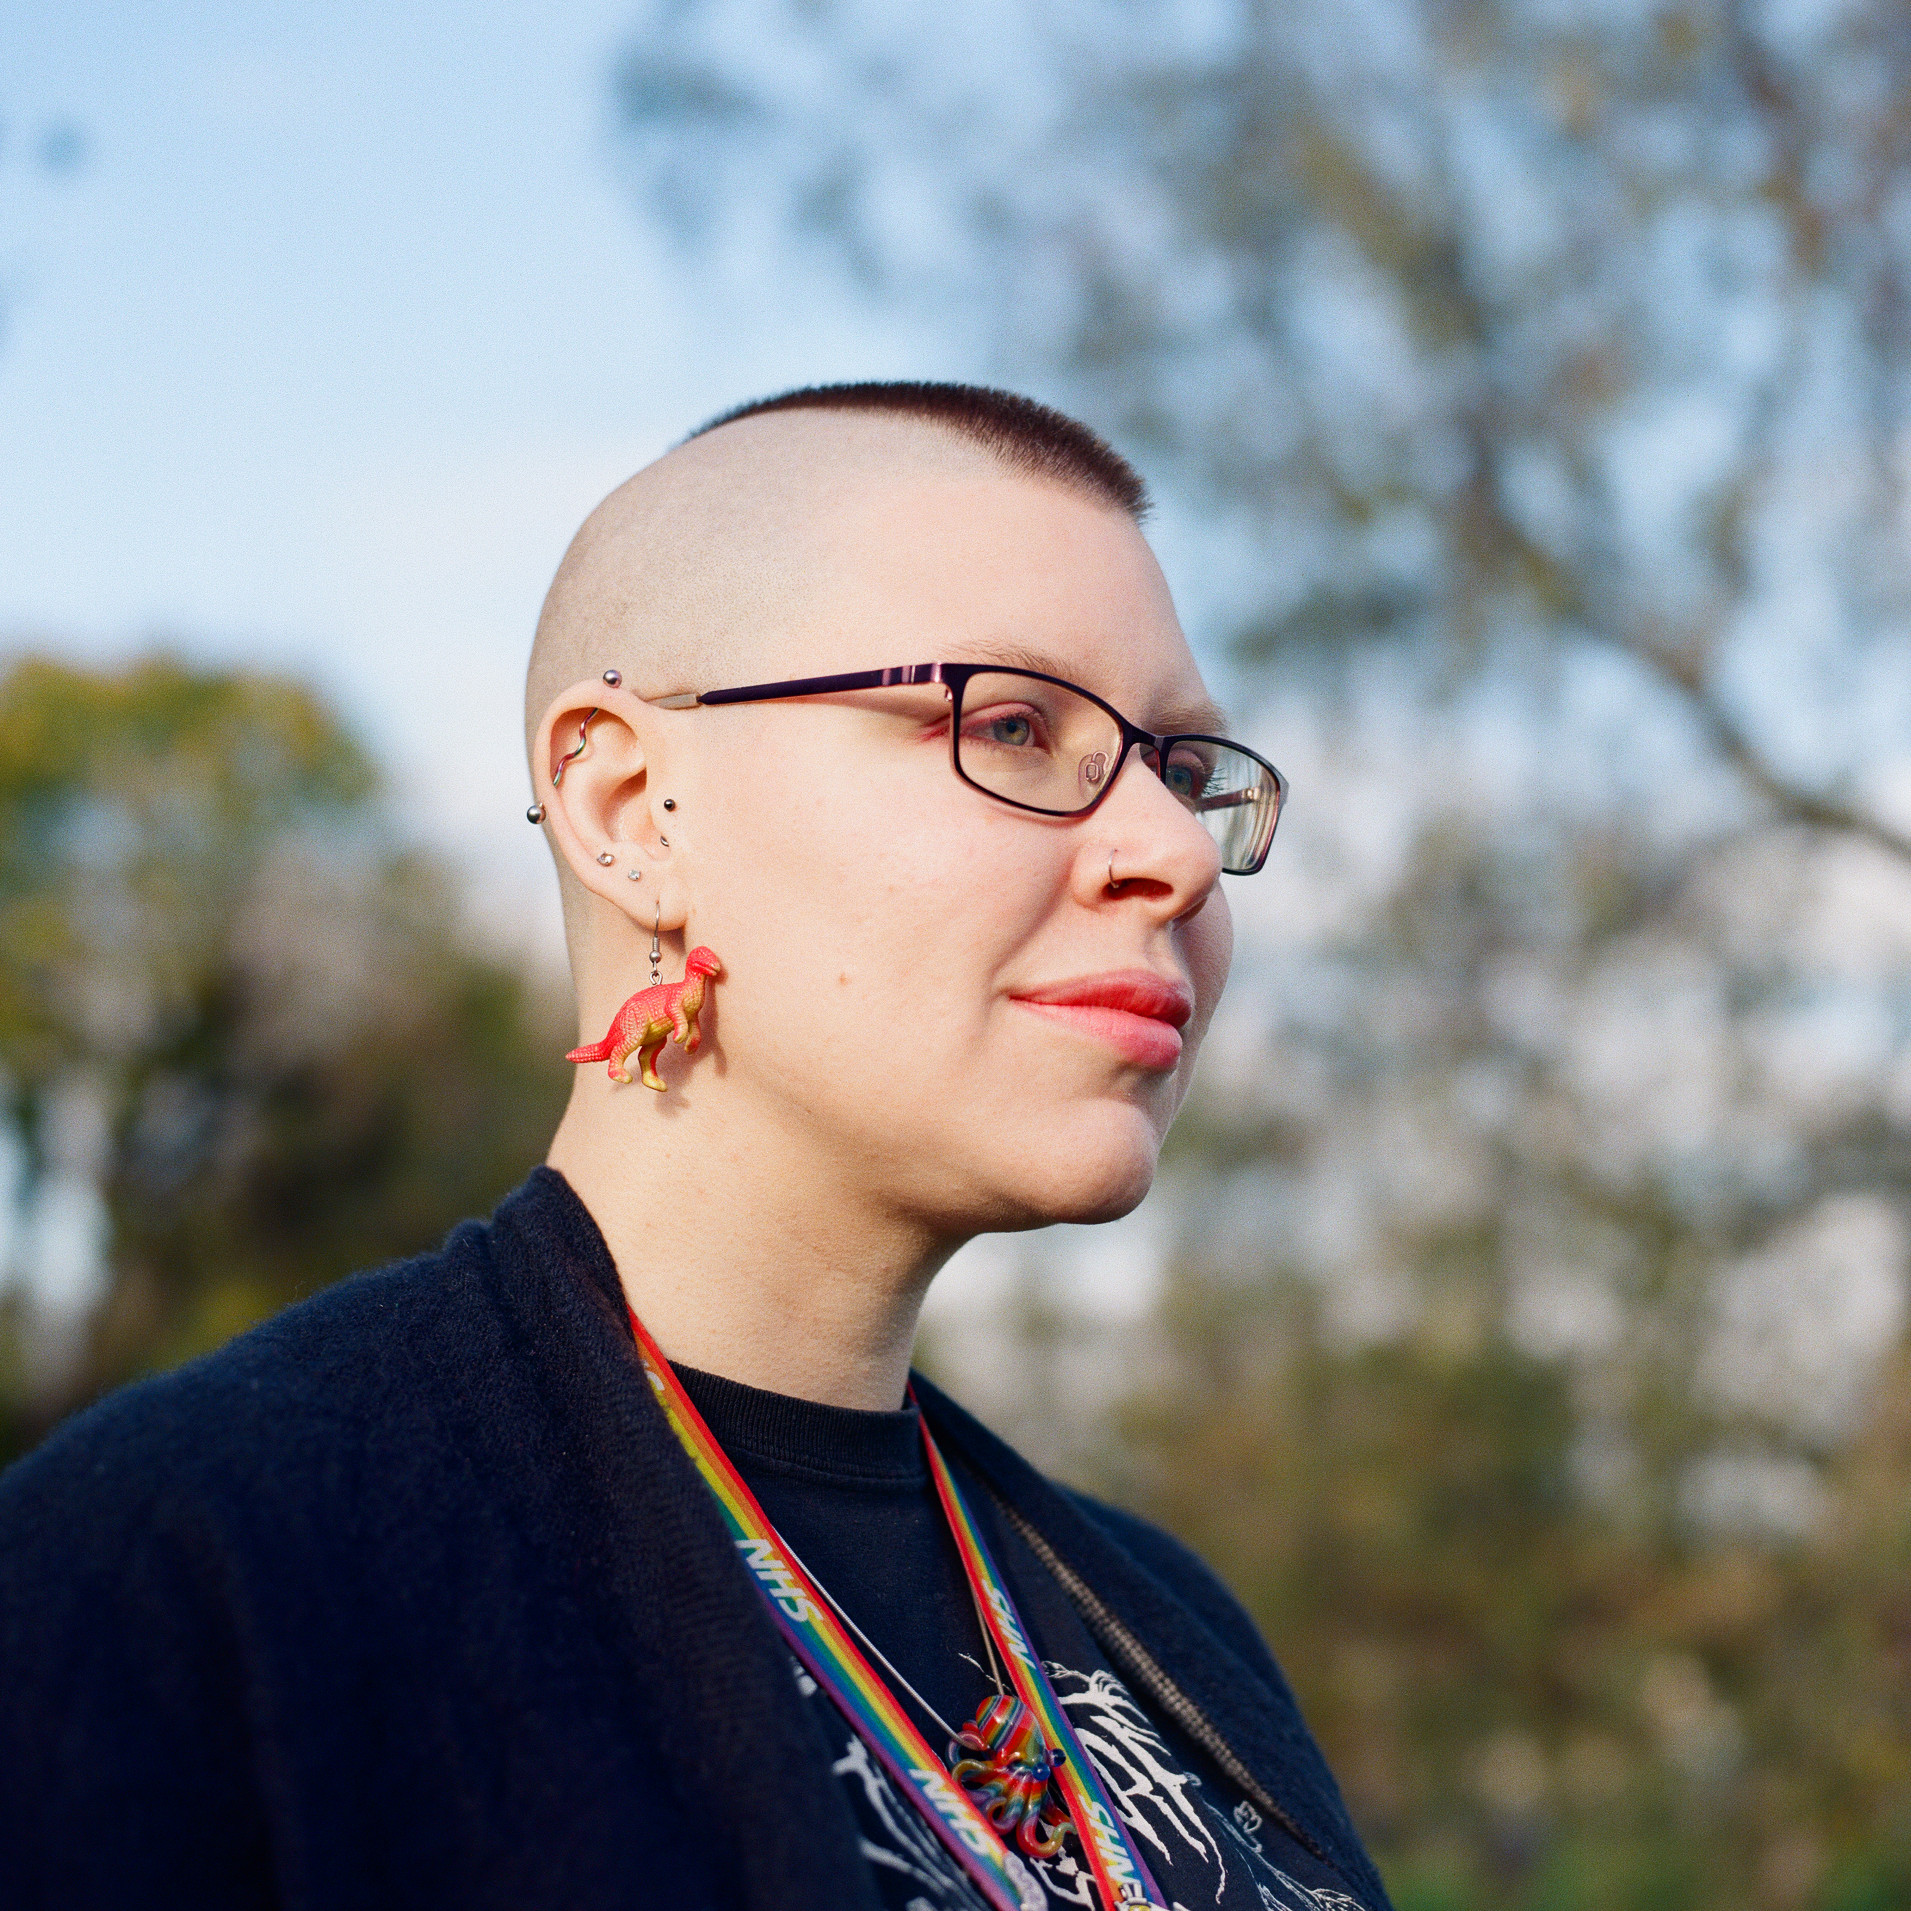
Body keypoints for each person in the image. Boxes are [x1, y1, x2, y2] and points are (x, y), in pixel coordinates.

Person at [0, 382, 1390, 1911]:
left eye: (1185, 767)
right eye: (1012, 725)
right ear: (628, 806)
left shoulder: (1173, 1633)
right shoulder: (194, 1577)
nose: (1179, 852)